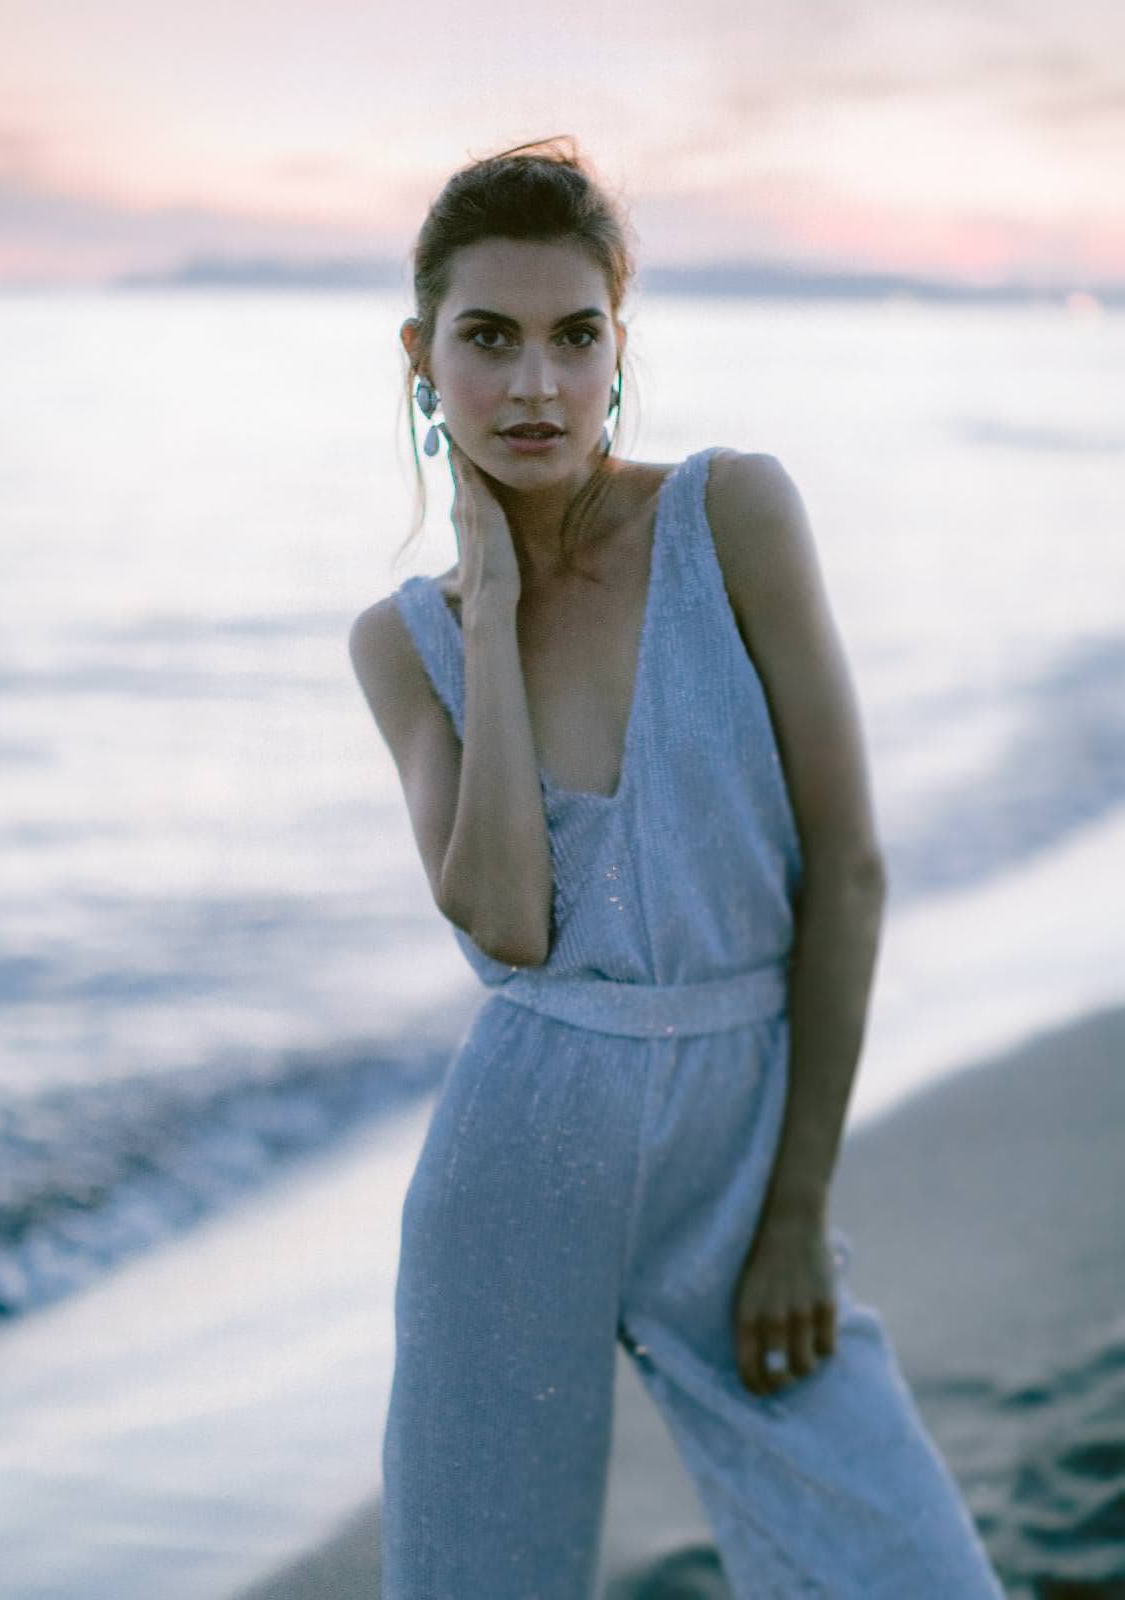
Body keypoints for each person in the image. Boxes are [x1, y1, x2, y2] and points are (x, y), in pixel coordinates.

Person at [349, 137, 1005, 1600]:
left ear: (618, 345)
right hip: (517, 1170)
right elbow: (510, 926)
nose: (536, 385)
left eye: (575, 336)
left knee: (910, 1570)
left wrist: (796, 1214)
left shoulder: (732, 517)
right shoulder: (404, 643)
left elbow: (849, 870)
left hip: (740, 1165)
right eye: (488, 338)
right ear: (422, 356)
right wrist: (494, 612)